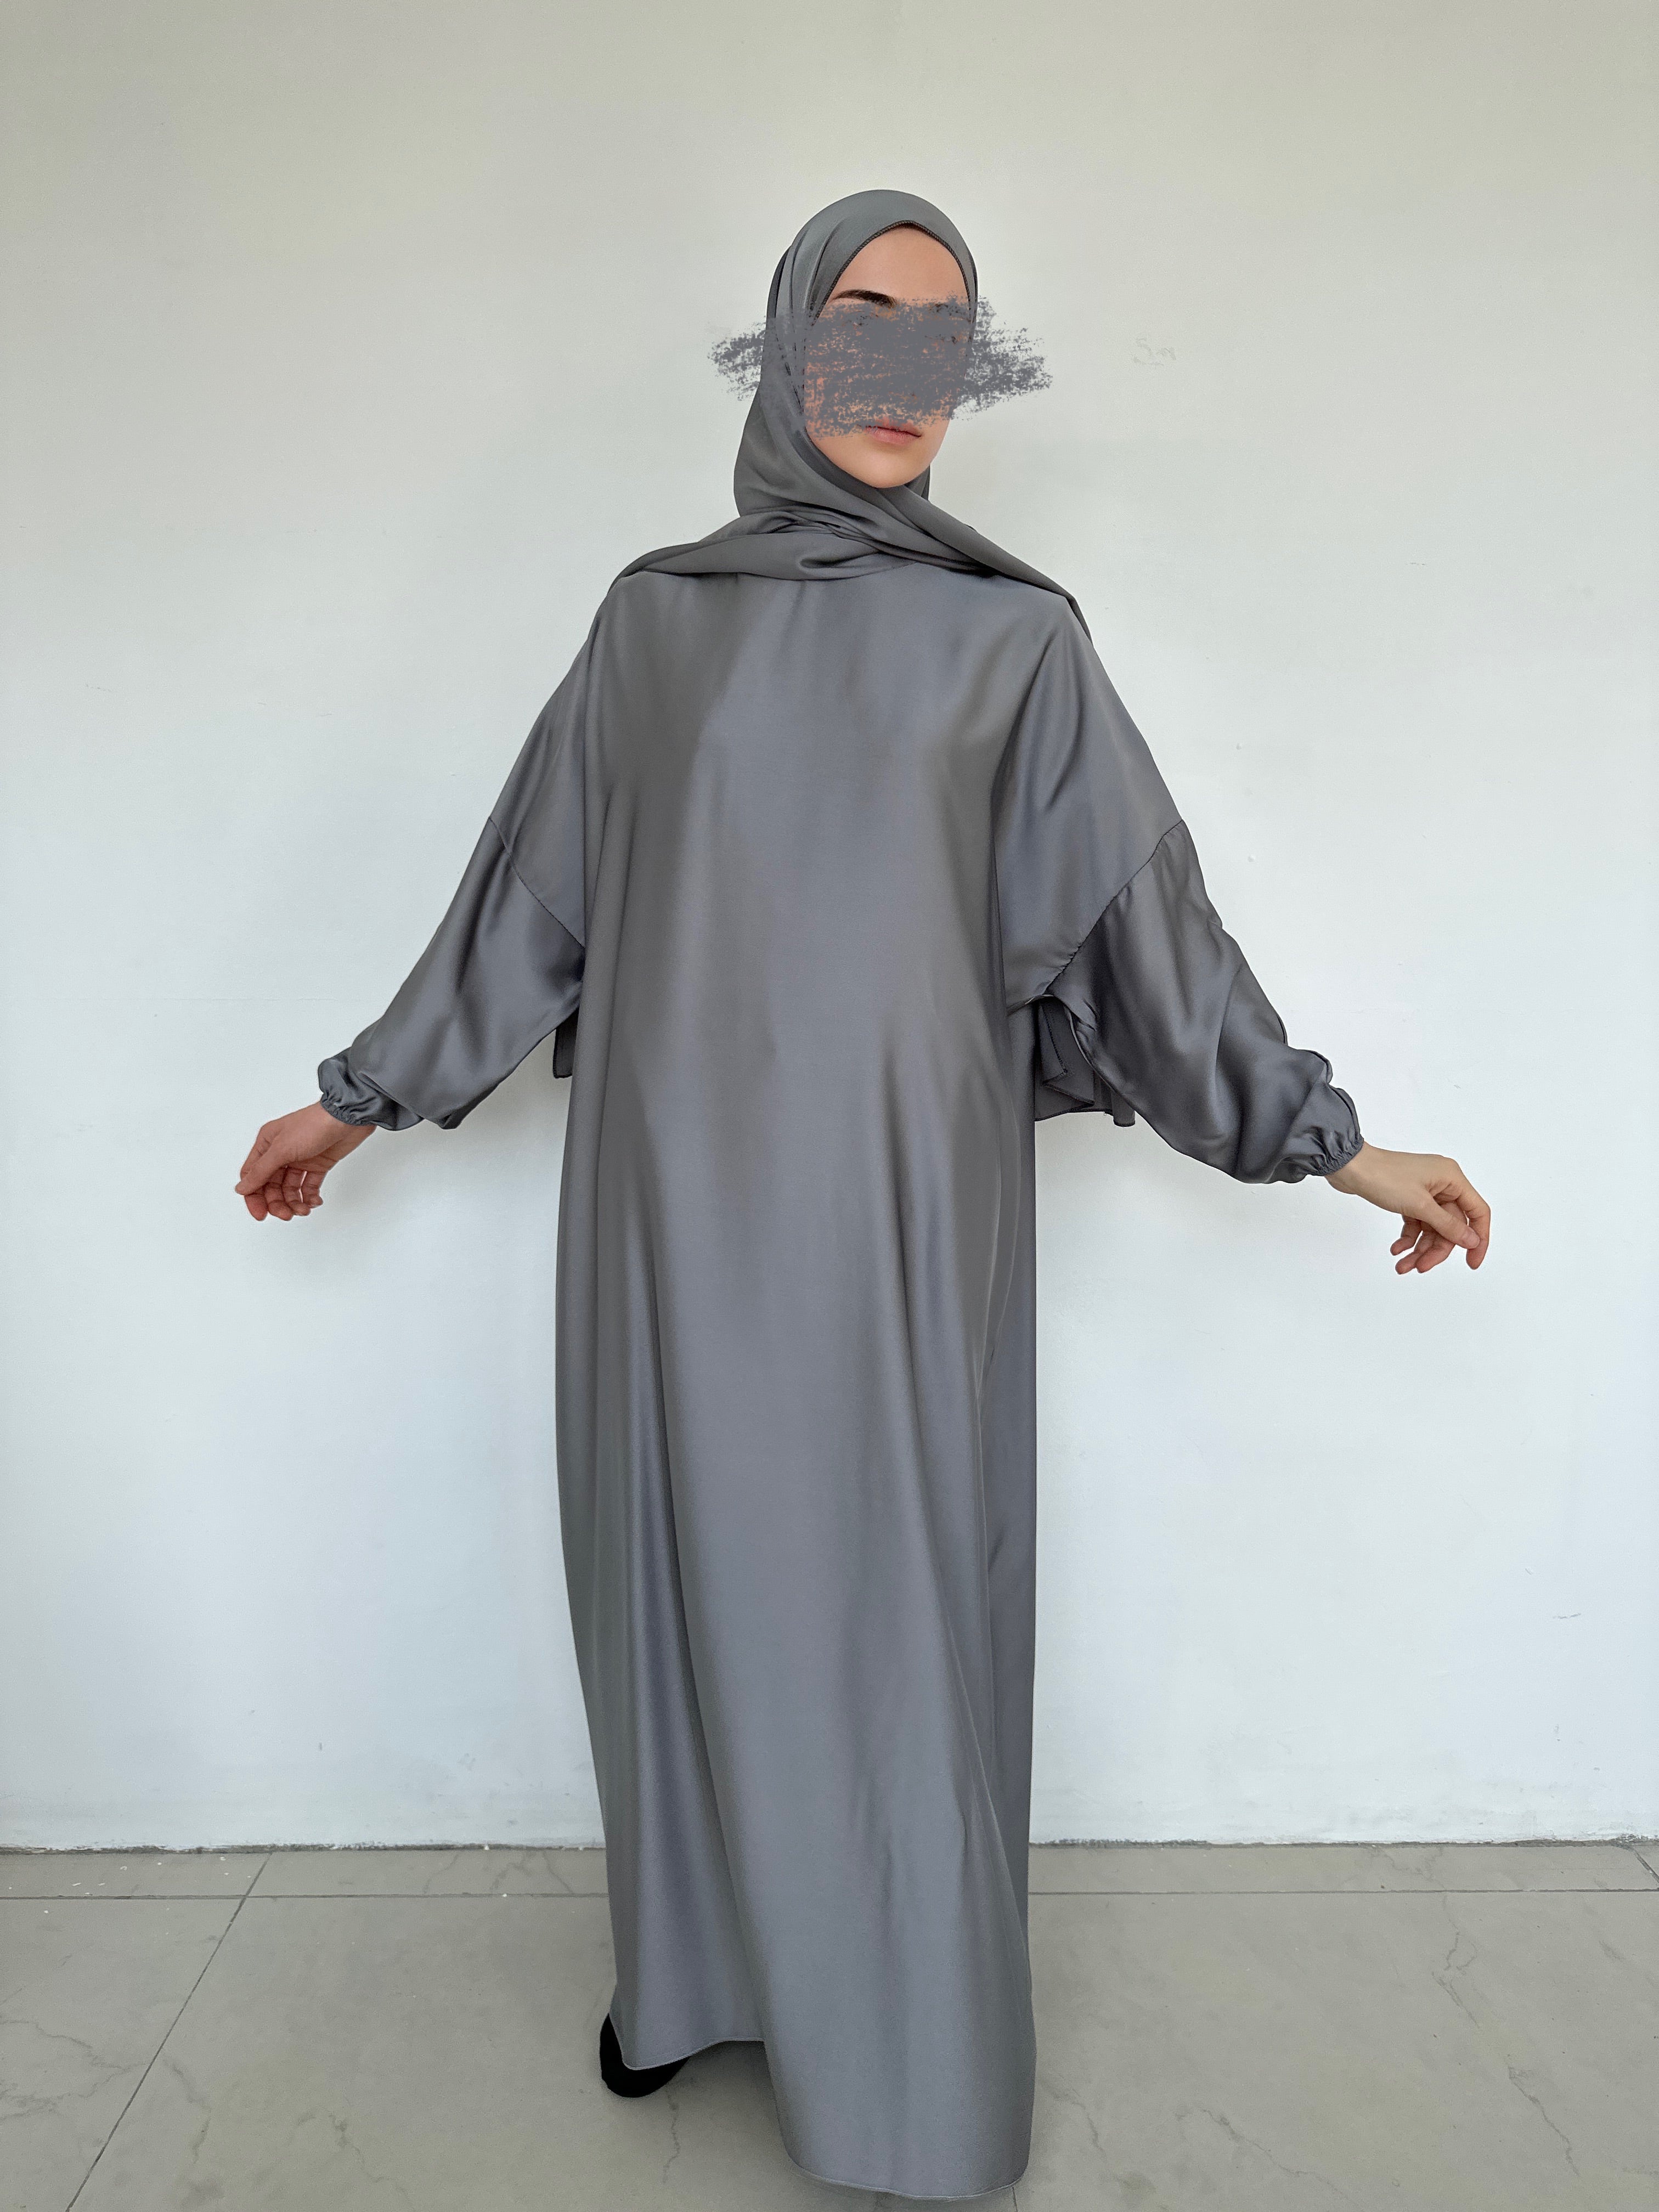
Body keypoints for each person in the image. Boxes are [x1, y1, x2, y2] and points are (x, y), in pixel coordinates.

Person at [234, 189, 1489, 2200]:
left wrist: (1335, 1146)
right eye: (865, 317)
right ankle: (692, 1983)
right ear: (786, 341)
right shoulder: (655, 624)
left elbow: (1150, 943)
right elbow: (531, 901)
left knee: (894, 1609)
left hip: (908, 1208)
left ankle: (913, 2072)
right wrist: (357, 1102)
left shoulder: (1019, 642)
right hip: (665, 1215)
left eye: (945, 334)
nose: (907, 372)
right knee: (677, 1586)